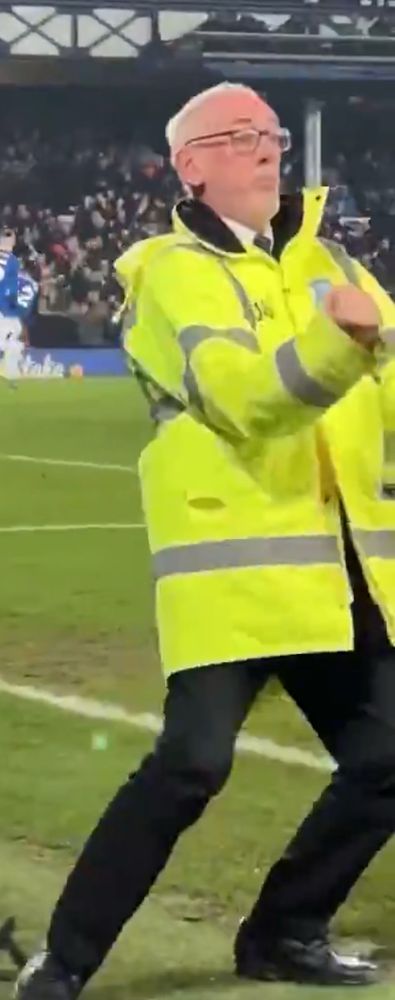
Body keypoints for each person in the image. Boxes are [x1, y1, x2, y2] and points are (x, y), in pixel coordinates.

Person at [16, 82, 395, 999]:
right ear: (189, 165)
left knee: (389, 756)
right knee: (192, 765)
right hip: (235, 574)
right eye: (238, 137)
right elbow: (244, 394)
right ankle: (63, 961)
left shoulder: (332, 262)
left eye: (269, 135)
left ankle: (284, 930)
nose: (266, 150)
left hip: (338, 568)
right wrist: (345, 344)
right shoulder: (166, 273)